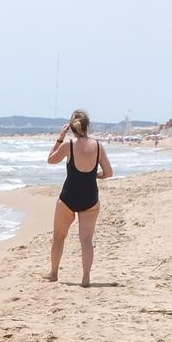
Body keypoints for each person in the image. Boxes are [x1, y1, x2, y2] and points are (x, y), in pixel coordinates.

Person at [46, 110, 113, 284]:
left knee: (59, 237)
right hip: (90, 197)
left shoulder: (68, 144)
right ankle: (86, 278)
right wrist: (93, 176)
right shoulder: (98, 146)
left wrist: (60, 138)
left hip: (68, 197)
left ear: (71, 127)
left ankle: (53, 274)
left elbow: (51, 160)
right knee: (86, 240)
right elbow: (109, 173)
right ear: (87, 125)